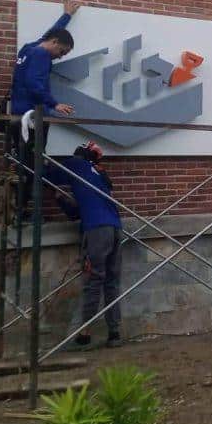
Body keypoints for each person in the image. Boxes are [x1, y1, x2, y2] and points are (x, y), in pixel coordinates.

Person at [46, 141, 124, 349]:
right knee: (111, 282)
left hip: (97, 230)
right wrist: (64, 201)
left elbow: (46, 174)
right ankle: (114, 333)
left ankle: (85, 334)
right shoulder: (100, 176)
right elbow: (80, 210)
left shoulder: (76, 164)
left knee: (93, 280)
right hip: (115, 228)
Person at [9, 0, 80, 219]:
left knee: (26, 162)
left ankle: (20, 208)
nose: (61, 56)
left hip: (18, 115)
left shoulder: (30, 48)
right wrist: (54, 103)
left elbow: (49, 34)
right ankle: (22, 211)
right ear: (55, 43)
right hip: (31, 119)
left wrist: (66, 16)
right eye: (62, 51)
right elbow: (34, 84)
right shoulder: (41, 55)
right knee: (32, 165)